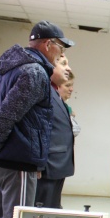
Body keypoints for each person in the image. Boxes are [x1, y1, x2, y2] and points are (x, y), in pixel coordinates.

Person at [0, 21, 74, 218]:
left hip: (1, 160)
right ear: (48, 44)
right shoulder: (35, 72)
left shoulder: (7, 71)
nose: (61, 53)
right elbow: (6, 114)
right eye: (60, 47)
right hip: (18, 161)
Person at [35, 55, 75, 209]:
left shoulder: (57, 97)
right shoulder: (44, 93)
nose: (68, 68)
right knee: (42, 208)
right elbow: (38, 130)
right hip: (48, 165)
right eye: (63, 64)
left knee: (52, 206)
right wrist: (38, 163)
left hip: (58, 164)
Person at [57, 71, 80, 137]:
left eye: (72, 85)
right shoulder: (52, 107)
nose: (71, 89)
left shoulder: (66, 107)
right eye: (67, 85)